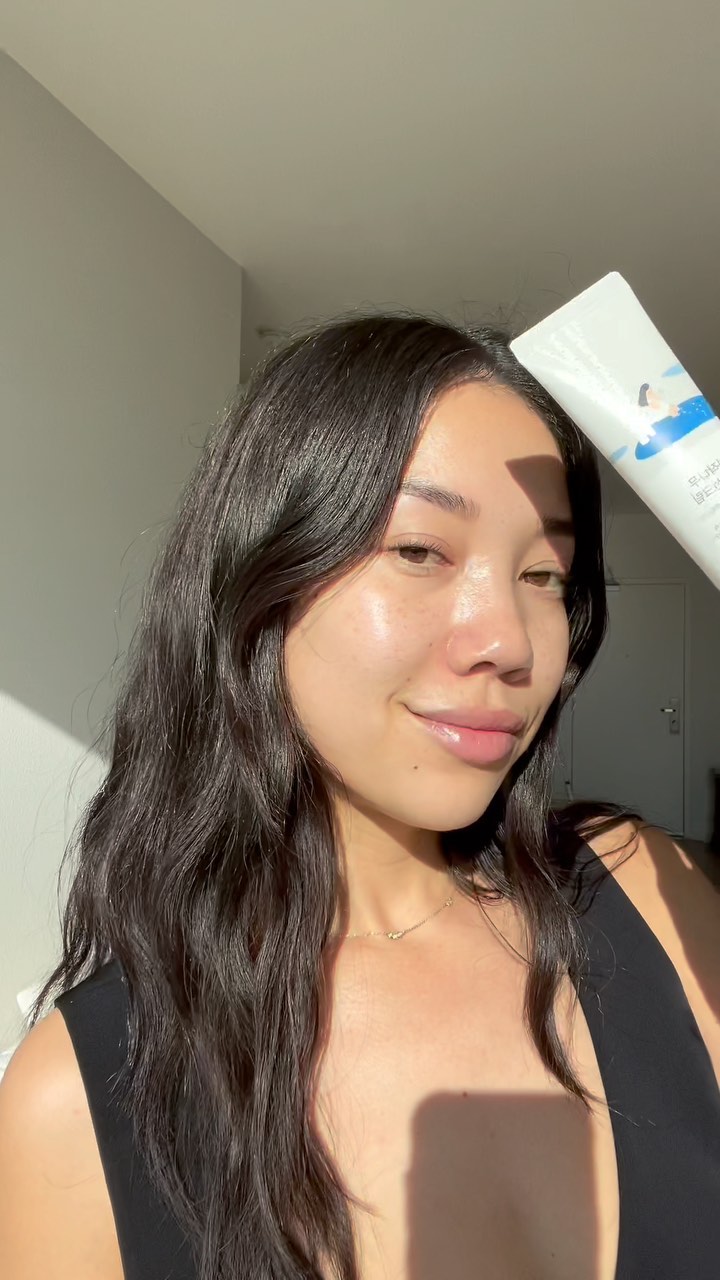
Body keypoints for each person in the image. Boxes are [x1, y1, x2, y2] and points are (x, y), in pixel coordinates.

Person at [1, 317, 719, 1280]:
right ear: (261, 579)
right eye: (420, 551)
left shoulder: (644, 898)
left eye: (544, 574)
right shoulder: (81, 1103)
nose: (509, 640)